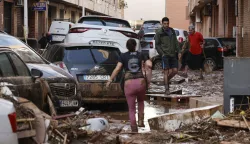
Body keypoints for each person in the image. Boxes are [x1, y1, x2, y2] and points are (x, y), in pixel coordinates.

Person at [106, 39, 151, 132]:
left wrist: (110, 80)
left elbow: (117, 68)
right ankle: (141, 122)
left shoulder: (123, 56)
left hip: (129, 83)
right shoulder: (141, 54)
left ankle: (134, 128)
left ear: (127, 46)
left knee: (131, 108)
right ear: (135, 46)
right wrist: (148, 80)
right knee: (141, 101)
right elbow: (149, 65)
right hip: (141, 82)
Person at [155, 17, 181, 95]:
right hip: (165, 55)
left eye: (167, 23)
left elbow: (176, 42)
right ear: (162, 24)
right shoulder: (159, 33)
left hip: (172, 54)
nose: (166, 25)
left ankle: (166, 80)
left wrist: (179, 51)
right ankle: (167, 89)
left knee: (175, 71)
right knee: (166, 72)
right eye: (164, 24)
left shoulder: (172, 31)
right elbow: (157, 45)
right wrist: (162, 54)